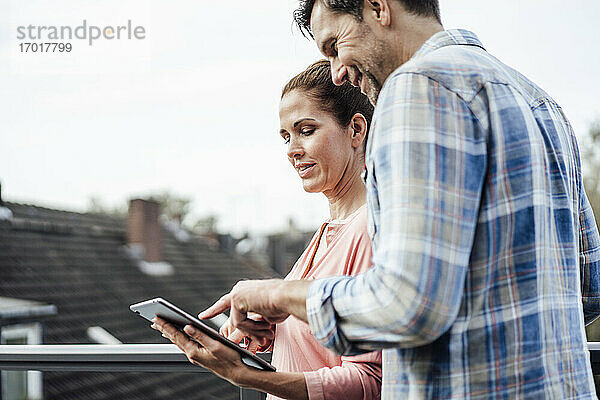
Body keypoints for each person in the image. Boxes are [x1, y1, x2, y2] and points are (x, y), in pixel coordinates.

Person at [191, 0, 600, 398]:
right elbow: (588, 291)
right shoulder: (542, 104)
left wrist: (278, 296)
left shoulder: (416, 88)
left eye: (335, 45)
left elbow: (407, 303)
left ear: (378, 7)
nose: (336, 73)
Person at [153, 60, 382, 400]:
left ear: (356, 130)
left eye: (306, 130)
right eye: (286, 136)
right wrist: (266, 331)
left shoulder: (368, 229)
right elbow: (319, 347)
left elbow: (370, 381)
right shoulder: (325, 234)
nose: (292, 150)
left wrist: (244, 375)